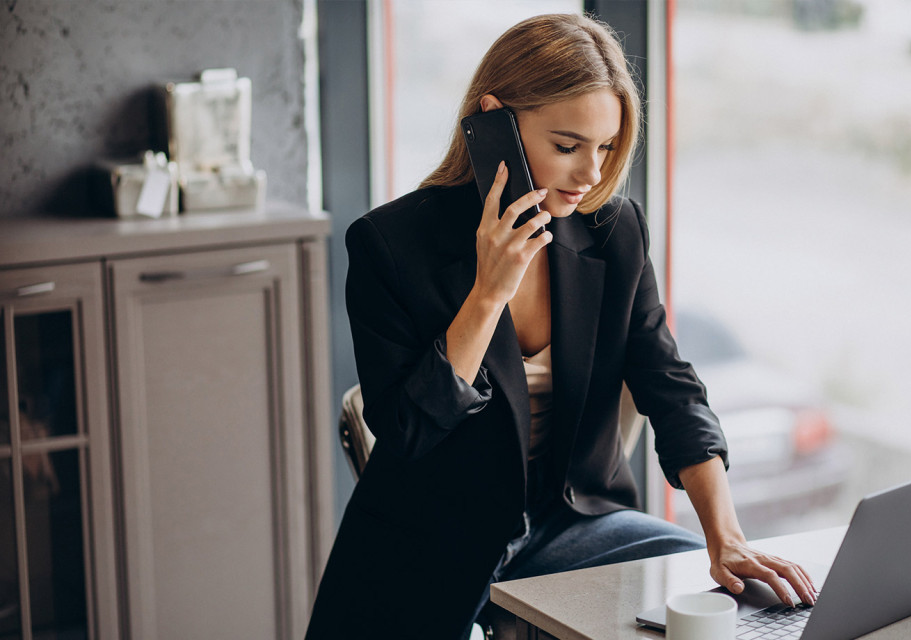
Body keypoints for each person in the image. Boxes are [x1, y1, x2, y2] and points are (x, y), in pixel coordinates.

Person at [305, 13, 816, 640]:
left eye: (605, 148)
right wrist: (489, 292)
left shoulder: (613, 232)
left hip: (579, 525)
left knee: (730, 612)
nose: (591, 175)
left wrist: (728, 538)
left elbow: (671, 388)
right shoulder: (390, 244)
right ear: (493, 122)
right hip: (430, 541)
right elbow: (408, 433)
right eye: (568, 146)